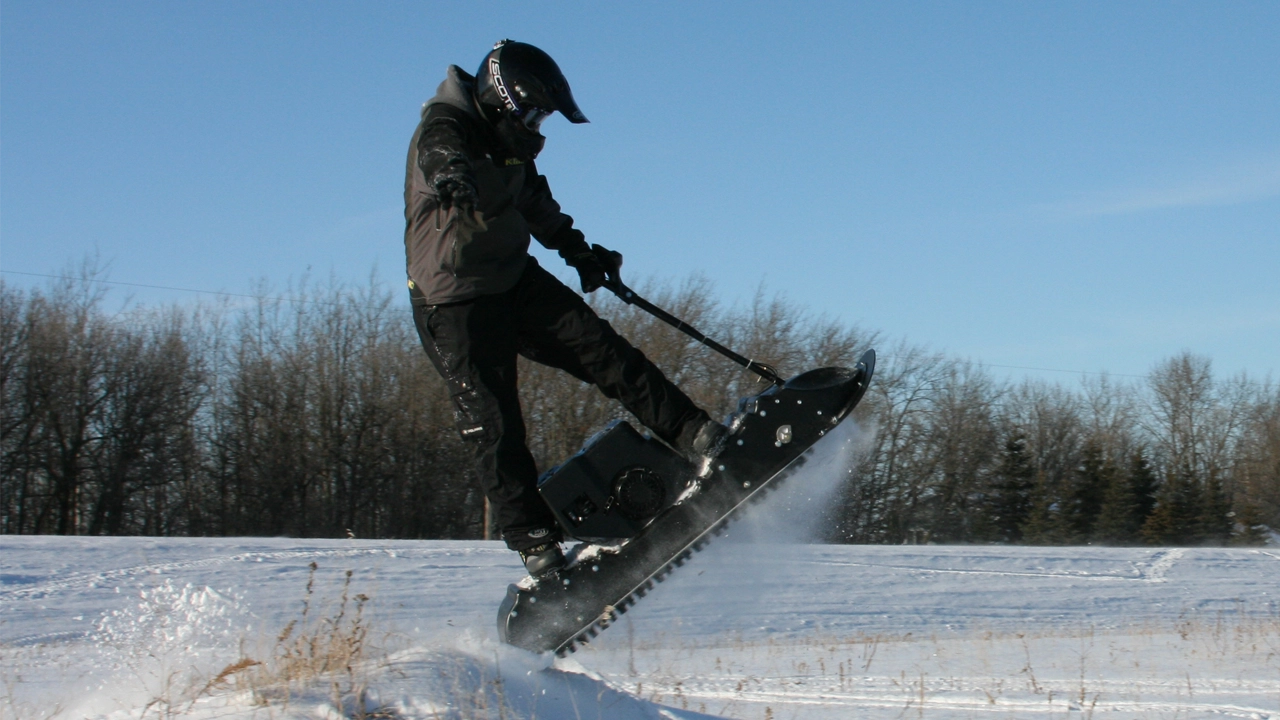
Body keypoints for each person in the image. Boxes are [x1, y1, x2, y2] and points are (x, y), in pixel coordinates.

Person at [403, 40, 727, 580]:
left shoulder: (512, 149)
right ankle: (537, 546)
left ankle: (696, 434)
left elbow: (537, 206)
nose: (537, 125)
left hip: (511, 277)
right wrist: (450, 175)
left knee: (605, 351)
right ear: (498, 100)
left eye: (543, 115)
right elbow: (439, 151)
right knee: (494, 424)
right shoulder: (448, 126)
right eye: (531, 112)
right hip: (453, 299)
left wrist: (580, 252)